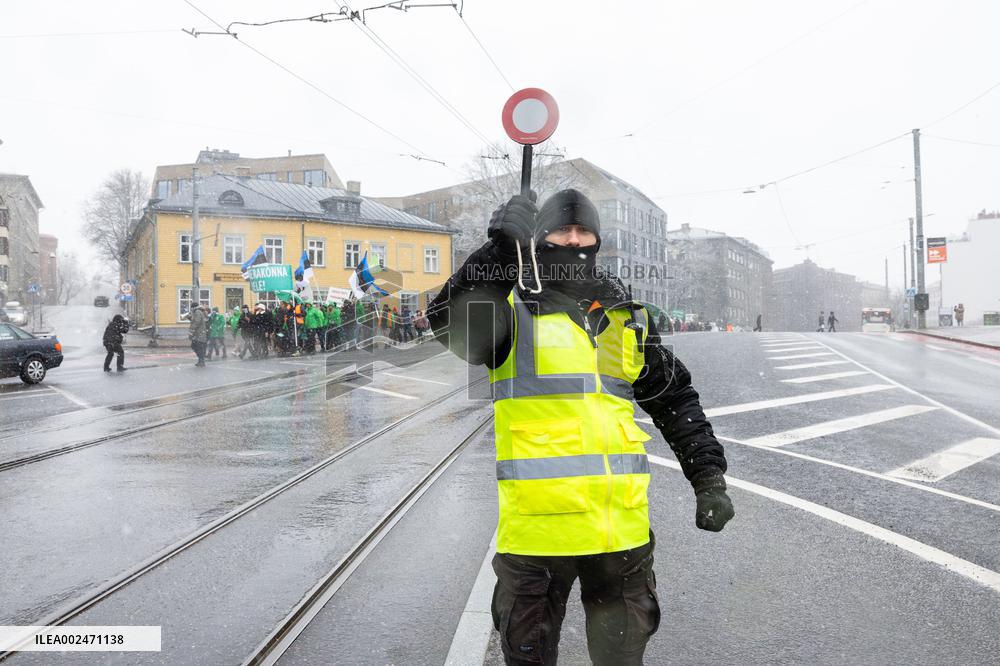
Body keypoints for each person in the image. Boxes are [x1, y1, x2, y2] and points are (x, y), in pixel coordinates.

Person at [427, 189, 733, 666]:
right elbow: (448, 322)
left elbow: (675, 401)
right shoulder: (512, 311)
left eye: (582, 230)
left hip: (619, 538)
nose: (573, 240)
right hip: (537, 541)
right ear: (541, 237)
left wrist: (708, 477)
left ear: (597, 240)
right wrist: (498, 254)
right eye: (560, 230)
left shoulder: (625, 317)